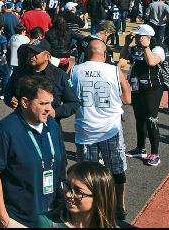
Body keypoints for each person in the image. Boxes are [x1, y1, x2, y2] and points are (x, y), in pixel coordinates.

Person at [0, 75, 66, 228]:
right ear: (25, 102)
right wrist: (2, 214)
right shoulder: (5, 130)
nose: (49, 108)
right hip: (17, 217)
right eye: (43, 103)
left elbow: (60, 166)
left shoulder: (52, 125)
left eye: (50, 103)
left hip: (49, 215)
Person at [71, 40, 132, 221]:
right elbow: (127, 99)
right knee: (117, 170)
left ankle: (92, 206)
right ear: (105, 55)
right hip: (110, 128)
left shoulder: (75, 70)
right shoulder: (114, 71)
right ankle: (119, 205)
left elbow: (69, 97)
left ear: (86, 54)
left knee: (88, 173)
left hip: (85, 128)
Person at [4, 39, 80, 127]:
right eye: (30, 52)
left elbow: (74, 103)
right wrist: (10, 99)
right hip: (22, 125)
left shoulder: (60, 75)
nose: (31, 55)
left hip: (48, 126)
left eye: (36, 52)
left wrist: (56, 112)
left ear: (47, 56)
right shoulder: (20, 72)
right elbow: (7, 91)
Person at [118, 24, 165, 167]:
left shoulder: (158, 49)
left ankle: (155, 154)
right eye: (136, 36)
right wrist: (127, 44)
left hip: (152, 88)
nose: (137, 38)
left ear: (147, 37)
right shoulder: (135, 48)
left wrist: (146, 47)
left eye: (139, 35)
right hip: (137, 87)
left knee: (151, 119)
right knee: (139, 118)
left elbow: (152, 62)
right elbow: (122, 58)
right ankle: (140, 148)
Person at [34, 161, 118, 228]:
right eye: (67, 185)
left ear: (99, 198)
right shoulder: (46, 223)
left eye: (78, 191)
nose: (68, 194)